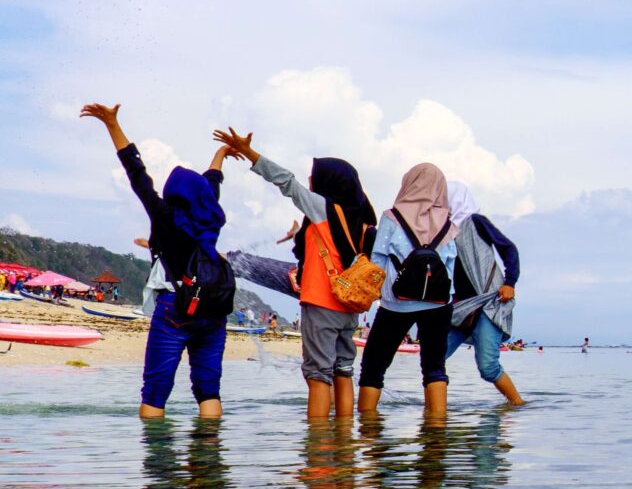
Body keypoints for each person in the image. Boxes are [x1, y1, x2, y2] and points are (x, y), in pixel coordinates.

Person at [80, 103, 236, 419]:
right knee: (208, 390)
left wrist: (112, 124)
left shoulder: (164, 215)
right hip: (213, 312)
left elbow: (136, 172)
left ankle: (158, 462)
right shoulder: (210, 217)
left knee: (155, 392)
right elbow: (212, 182)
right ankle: (208, 460)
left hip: (175, 308)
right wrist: (220, 154)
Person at [214, 129, 378, 419]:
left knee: (317, 376)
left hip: (322, 303)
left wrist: (250, 153)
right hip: (350, 308)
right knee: (343, 371)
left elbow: (286, 181)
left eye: (315, 176)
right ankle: (344, 446)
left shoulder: (324, 209)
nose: (311, 181)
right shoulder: (364, 220)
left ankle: (317, 451)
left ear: (329, 182)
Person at [356, 163, 460, 416]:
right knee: (434, 366)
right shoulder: (447, 222)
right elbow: (450, 265)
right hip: (438, 303)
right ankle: (436, 430)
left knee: (374, 365)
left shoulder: (392, 217)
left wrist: (375, 294)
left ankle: (367, 430)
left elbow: (378, 260)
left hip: (396, 301)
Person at [444, 181, 525, 406]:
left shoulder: (475, 222)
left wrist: (510, 282)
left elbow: (508, 248)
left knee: (488, 367)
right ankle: (435, 412)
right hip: (459, 307)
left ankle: (518, 405)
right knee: (433, 361)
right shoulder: (441, 232)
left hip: (489, 302)